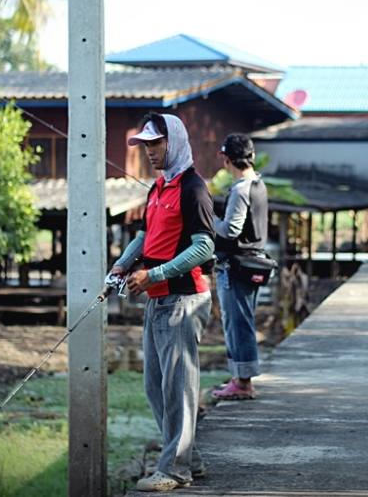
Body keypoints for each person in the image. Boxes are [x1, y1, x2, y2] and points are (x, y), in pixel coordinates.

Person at [111, 112, 215, 492]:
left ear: (174, 141)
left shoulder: (193, 189)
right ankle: (191, 457)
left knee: (179, 387)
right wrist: (123, 264)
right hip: (157, 297)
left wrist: (154, 274)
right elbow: (146, 235)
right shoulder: (158, 189)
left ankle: (175, 469)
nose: (150, 151)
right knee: (154, 386)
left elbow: (204, 247)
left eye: (156, 143)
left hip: (183, 298)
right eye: (146, 145)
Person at [211, 133, 268, 401]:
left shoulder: (240, 189)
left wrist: (209, 219)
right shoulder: (258, 184)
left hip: (236, 266)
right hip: (253, 262)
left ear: (226, 159)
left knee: (237, 323)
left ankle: (243, 383)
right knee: (242, 320)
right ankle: (239, 378)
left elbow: (230, 230)